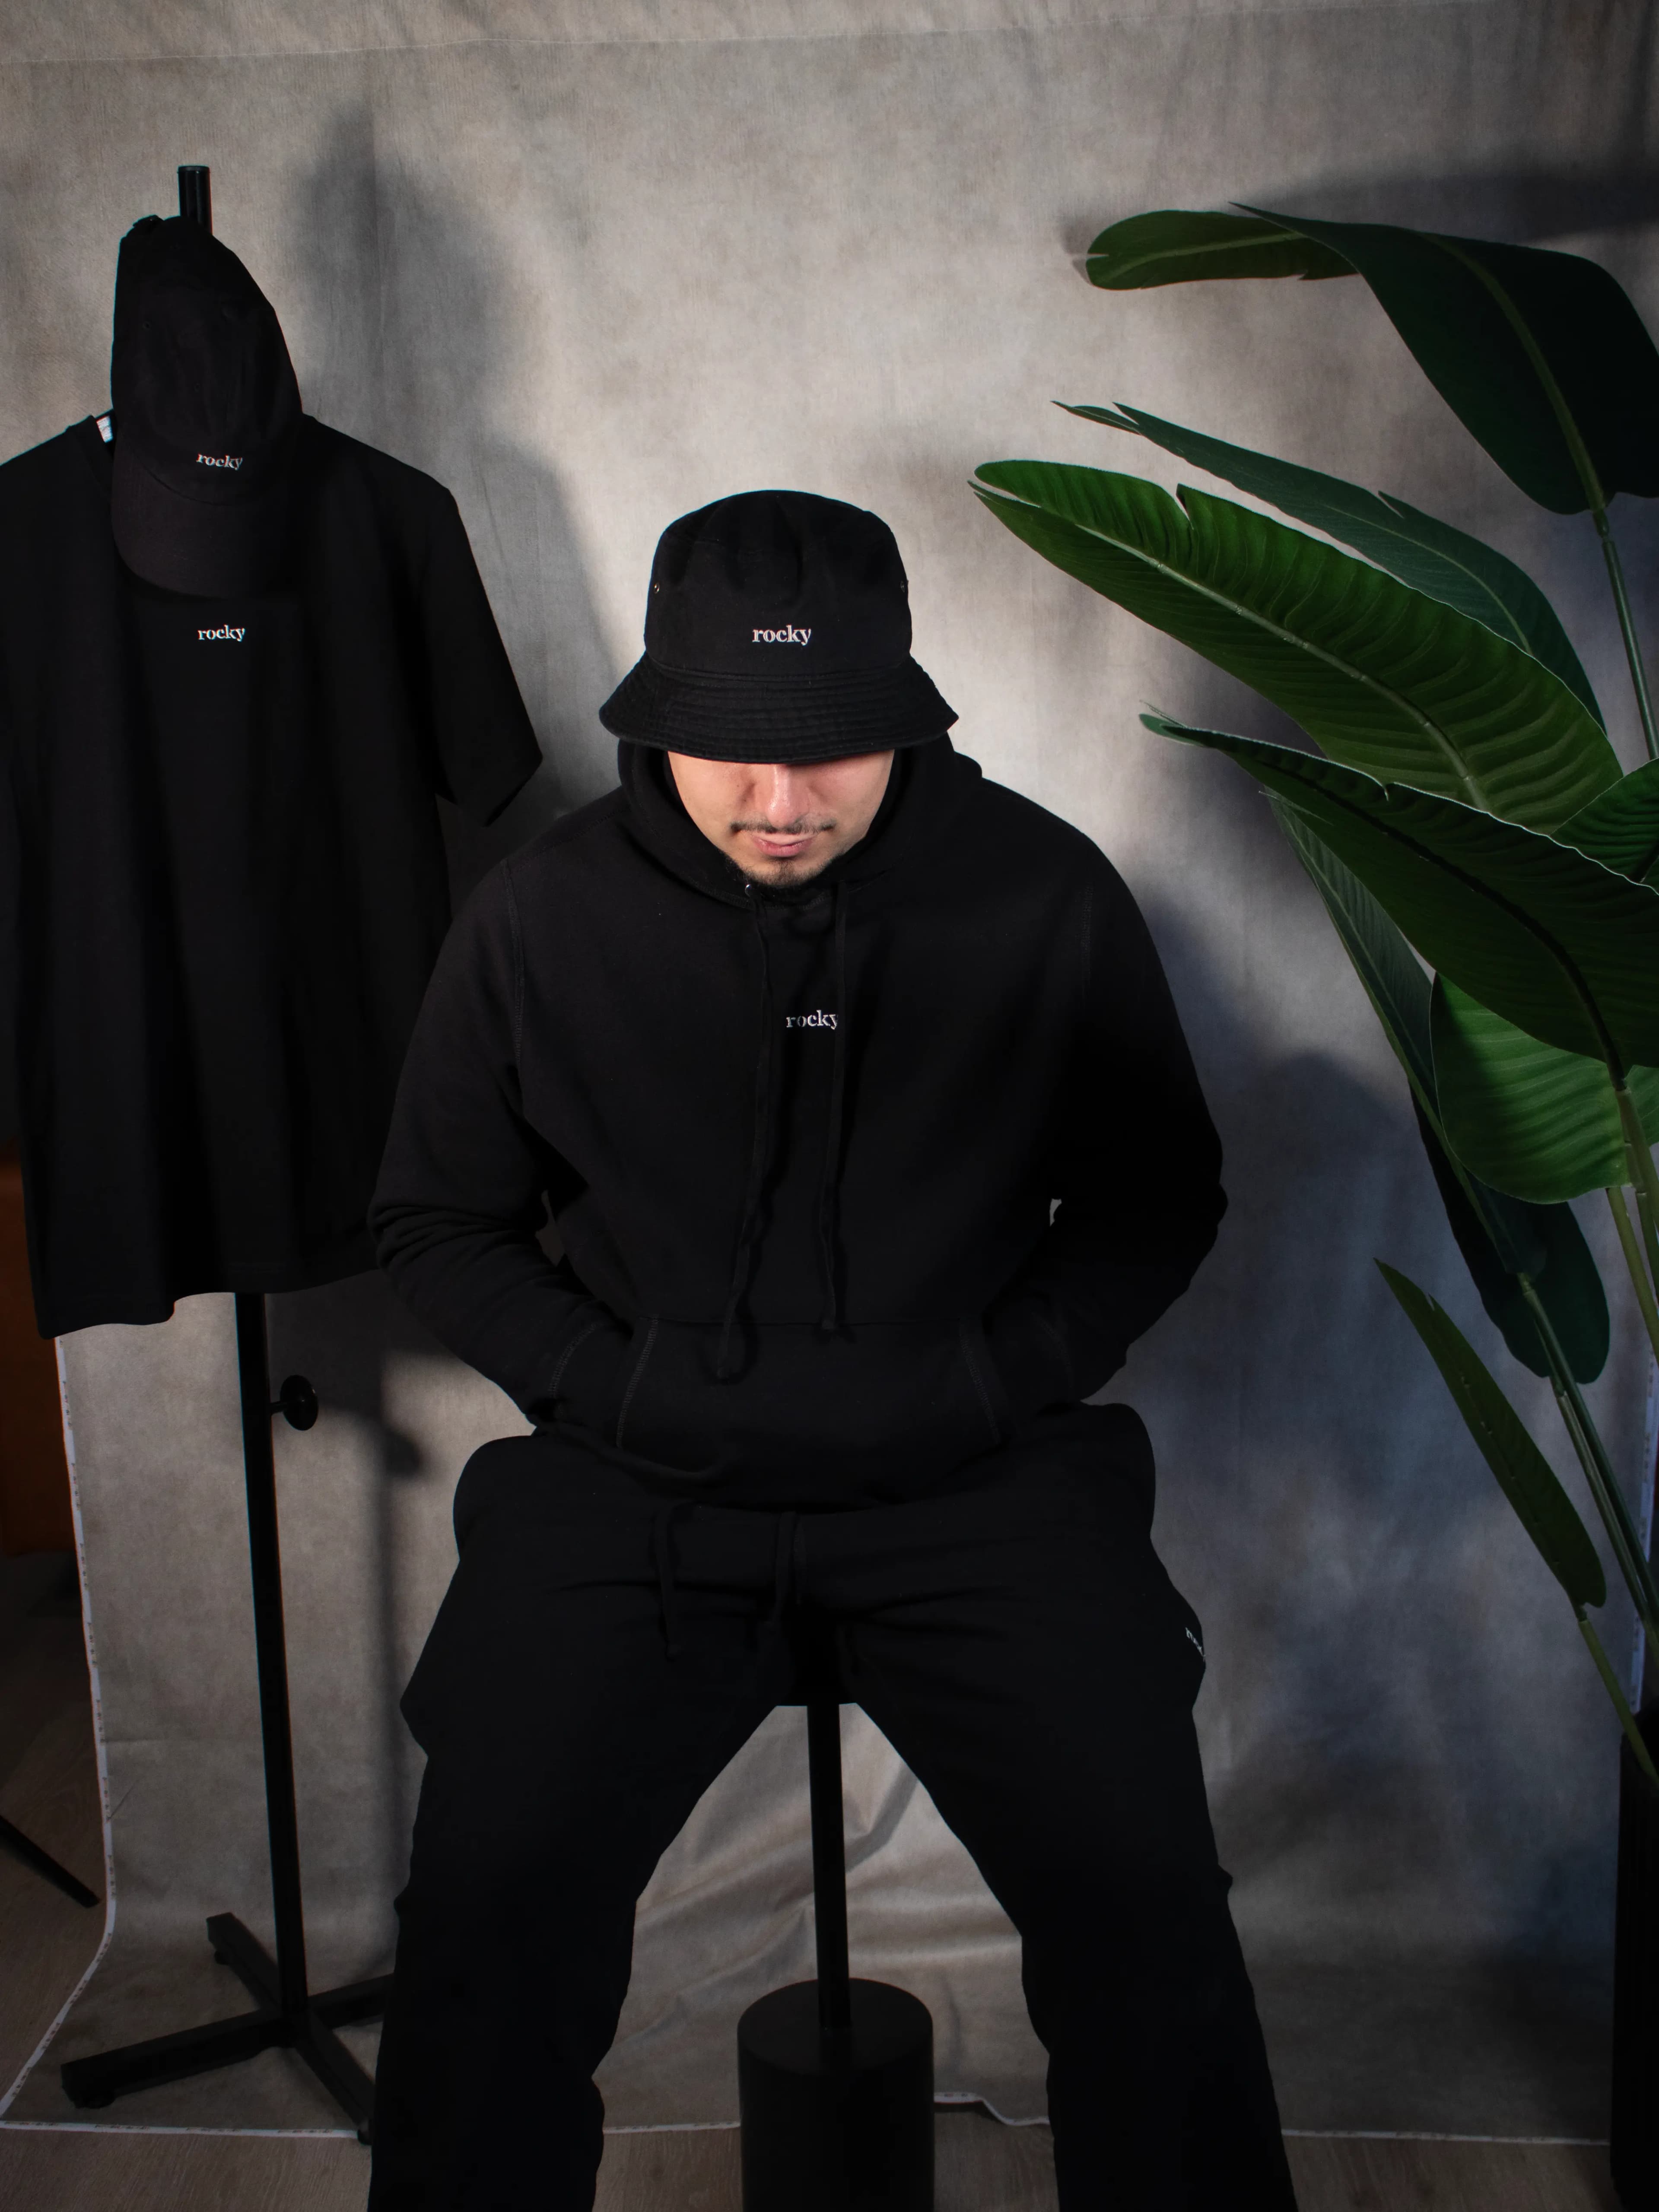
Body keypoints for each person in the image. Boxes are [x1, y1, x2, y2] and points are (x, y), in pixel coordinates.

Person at [365, 489, 1297, 2210]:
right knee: (485, 1921)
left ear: (906, 717)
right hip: (639, 1479)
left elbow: (1158, 1196)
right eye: (729, 752)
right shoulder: (538, 918)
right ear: (655, 718)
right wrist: (615, 1384)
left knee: (1150, 1914)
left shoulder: (1042, 890)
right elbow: (435, 1221)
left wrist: (984, 1382)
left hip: (974, 1473)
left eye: (830, 752)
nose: (779, 803)